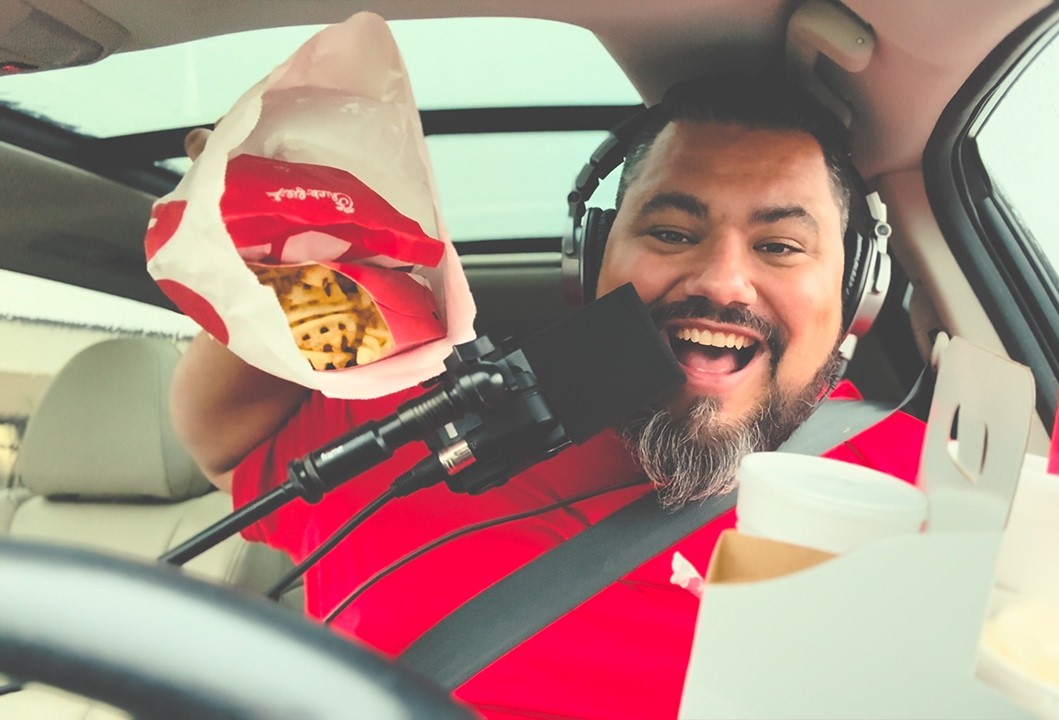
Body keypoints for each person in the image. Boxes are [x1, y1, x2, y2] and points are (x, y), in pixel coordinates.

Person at [171, 71, 925, 719]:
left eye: (780, 246)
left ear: (857, 297)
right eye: (669, 232)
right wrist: (285, 244)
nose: (722, 282)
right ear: (591, 264)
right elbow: (227, 439)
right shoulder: (436, 419)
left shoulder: (927, 493)